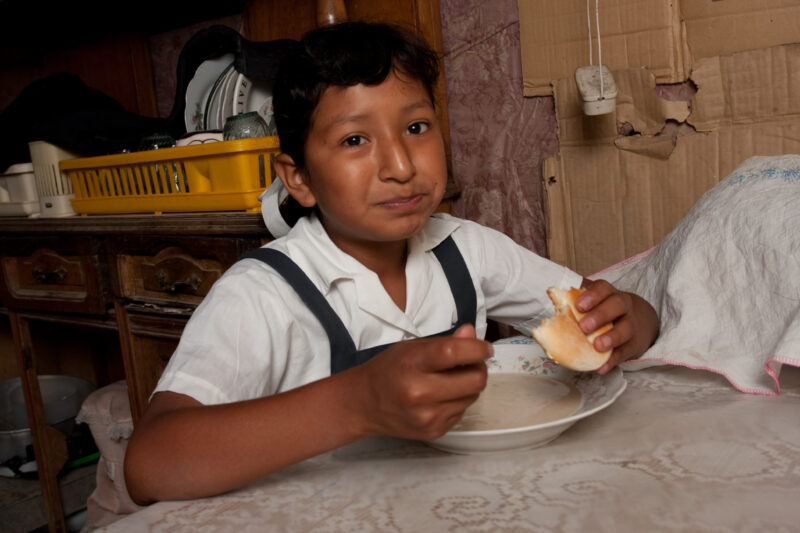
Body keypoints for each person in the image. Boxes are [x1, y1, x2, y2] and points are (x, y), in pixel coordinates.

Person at [124, 21, 659, 505]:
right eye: (355, 139)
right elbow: (150, 466)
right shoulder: (262, 293)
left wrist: (621, 322)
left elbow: (633, 317)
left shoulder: (467, 249)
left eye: (417, 128)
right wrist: (357, 403)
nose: (400, 166)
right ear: (299, 179)